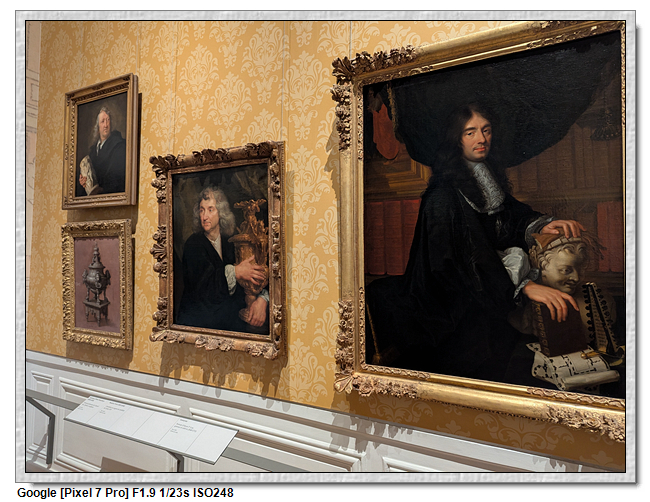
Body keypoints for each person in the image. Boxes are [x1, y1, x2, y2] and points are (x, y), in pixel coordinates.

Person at [365, 102, 586, 383]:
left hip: (487, 288)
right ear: (456, 139)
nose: (482, 139)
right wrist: (522, 287)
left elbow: (510, 216)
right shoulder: (441, 195)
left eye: (486, 130)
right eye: (470, 132)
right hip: (448, 303)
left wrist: (541, 224)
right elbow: (456, 261)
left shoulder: (483, 175)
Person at [176, 186, 268, 332]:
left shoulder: (230, 242)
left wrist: (262, 299)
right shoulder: (193, 244)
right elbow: (204, 287)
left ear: (221, 212)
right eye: (201, 210)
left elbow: (256, 273)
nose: (204, 216)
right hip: (200, 324)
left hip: (229, 322)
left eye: (210, 210)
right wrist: (236, 272)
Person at [77, 106, 127, 195]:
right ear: (98, 126)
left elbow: (116, 177)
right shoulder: (93, 151)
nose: (106, 125)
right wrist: (83, 181)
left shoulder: (119, 146)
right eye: (103, 121)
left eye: (108, 120)